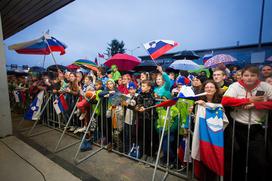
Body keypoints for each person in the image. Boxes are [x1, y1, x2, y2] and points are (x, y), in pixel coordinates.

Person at [222, 65, 272, 181]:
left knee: (258, 160)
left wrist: (256, 104)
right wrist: (248, 100)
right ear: (242, 76)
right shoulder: (235, 86)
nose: (249, 78)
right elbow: (226, 100)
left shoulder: (265, 87)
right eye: (246, 75)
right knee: (237, 158)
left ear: (258, 76)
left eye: (252, 75)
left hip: (257, 127)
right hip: (237, 127)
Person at [135, 80, 157, 161]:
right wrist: (138, 106)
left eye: (144, 86)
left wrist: (144, 107)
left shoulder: (153, 94)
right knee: (143, 136)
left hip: (150, 119)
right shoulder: (140, 94)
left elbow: (151, 103)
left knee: (150, 136)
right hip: (141, 118)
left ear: (149, 87)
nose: (142, 87)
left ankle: (151, 154)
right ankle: (144, 153)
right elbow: (138, 102)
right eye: (141, 86)